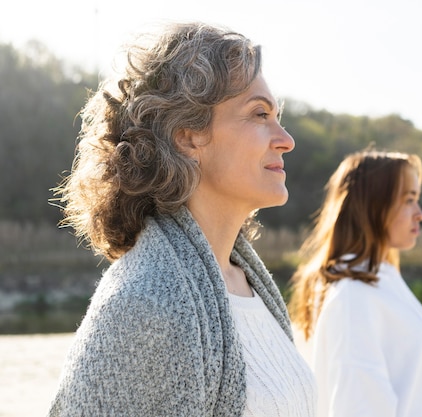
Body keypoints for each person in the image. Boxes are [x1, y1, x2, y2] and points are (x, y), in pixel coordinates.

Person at [47, 21, 315, 417]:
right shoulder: (146, 301)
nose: (286, 139)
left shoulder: (245, 282)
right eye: (259, 114)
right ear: (187, 135)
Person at [288, 149, 422, 417]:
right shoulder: (353, 296)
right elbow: (358, 407)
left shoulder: (382, 279)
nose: (420, 213)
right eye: (409, 200)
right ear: (374, 205)